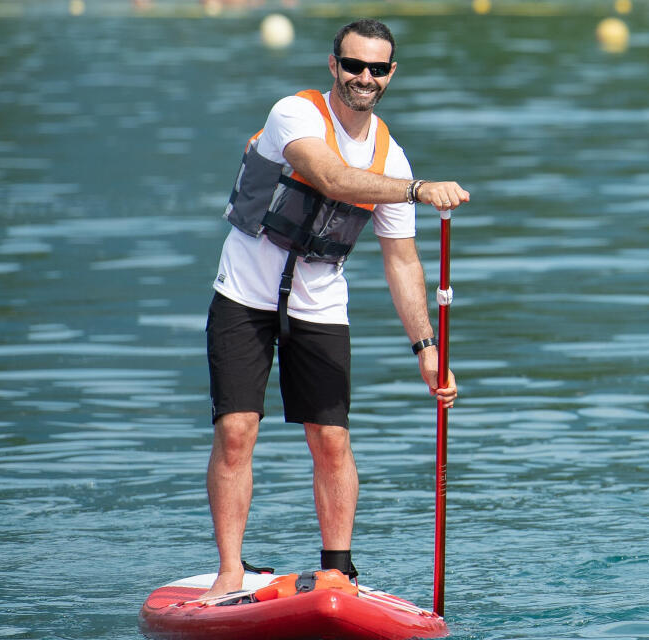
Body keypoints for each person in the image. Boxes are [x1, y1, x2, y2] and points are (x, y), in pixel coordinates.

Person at [199, 18, 463, 600]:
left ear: (390, 75)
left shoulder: (392, 157)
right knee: (237, 430)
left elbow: (402, 262)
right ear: (333, 66)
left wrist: (428, 350)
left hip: (321, 302)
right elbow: (331, 177)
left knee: (332, 439)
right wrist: (418, 189)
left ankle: (338, 572)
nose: (363, 77)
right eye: (352, 65)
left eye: (376, 68)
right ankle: (229, 573)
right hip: (244, 292)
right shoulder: (294, 113)